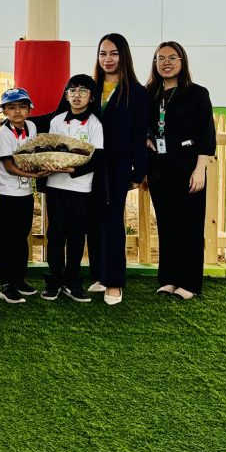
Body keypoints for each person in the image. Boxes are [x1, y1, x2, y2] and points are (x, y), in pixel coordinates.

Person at [145, 41, 215, 300]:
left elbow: (206, 134)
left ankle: (190, 283)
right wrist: (144, 136)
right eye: (160, 58)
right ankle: (169, 279)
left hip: (188, 169)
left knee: (190, 226)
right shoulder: (150, 94)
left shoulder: (197, 94)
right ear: (155, 63)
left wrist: (200, 170)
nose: (166, 62)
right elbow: (136, 122)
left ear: (182, 62)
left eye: (172, 58)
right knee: (167, 225)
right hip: (160, 171)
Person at [92, 33, 148, 305]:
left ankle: (114, 283)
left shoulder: (137, 92)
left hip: (118, 165)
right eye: (103, 53)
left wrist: (138, 172)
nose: (108, 59)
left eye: (113, 53)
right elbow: (63, 114)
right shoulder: (89, 87)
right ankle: (100, 276)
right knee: (97, 220)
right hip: (90, 164)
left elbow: (140, 134)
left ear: (123, 56)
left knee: (114, 219)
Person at [40, 75, 104, 303]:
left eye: (83, 91)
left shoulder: (95, 124)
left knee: (77, 236)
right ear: (66, 95)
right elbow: (49, 149)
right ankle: (54, 280)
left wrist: (72, 170)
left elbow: (97, 158)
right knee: (56, 234)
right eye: (72, 90)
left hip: (80, 188)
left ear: (92, 97)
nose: (77, 95)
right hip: (56, 186)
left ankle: (72, 281)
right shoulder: (57, 121)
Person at [0, 88, 44, 304]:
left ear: (29, 110)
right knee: (7, 239)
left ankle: (19, 279)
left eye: (22, 107)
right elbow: (10, 167)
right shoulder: (3, 135)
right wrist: (34, 175)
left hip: (24, 194)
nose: (17, 112)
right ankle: (7, 284)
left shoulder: (31, 127)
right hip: (6, 194)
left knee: (22, 237)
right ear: (4, 111)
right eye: (11, 108)